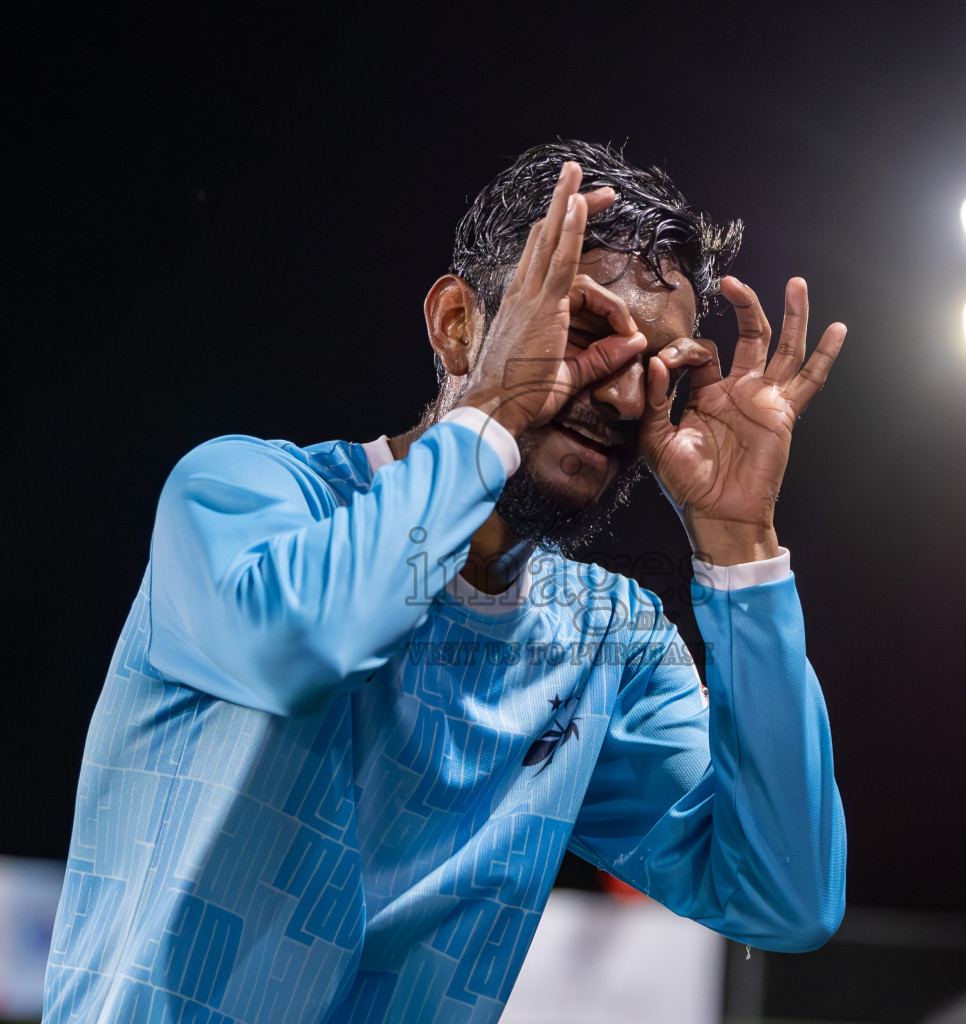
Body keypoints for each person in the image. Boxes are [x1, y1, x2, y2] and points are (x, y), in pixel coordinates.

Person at [43, 140, 848, 1024]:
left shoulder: (607, 643)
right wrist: (493, 412)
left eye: (656, 366)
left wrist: (741, 545)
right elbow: (307, 645)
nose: (623, 397)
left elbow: (782, 896)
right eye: (585, 332)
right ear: (459, 324)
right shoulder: (244, 496)